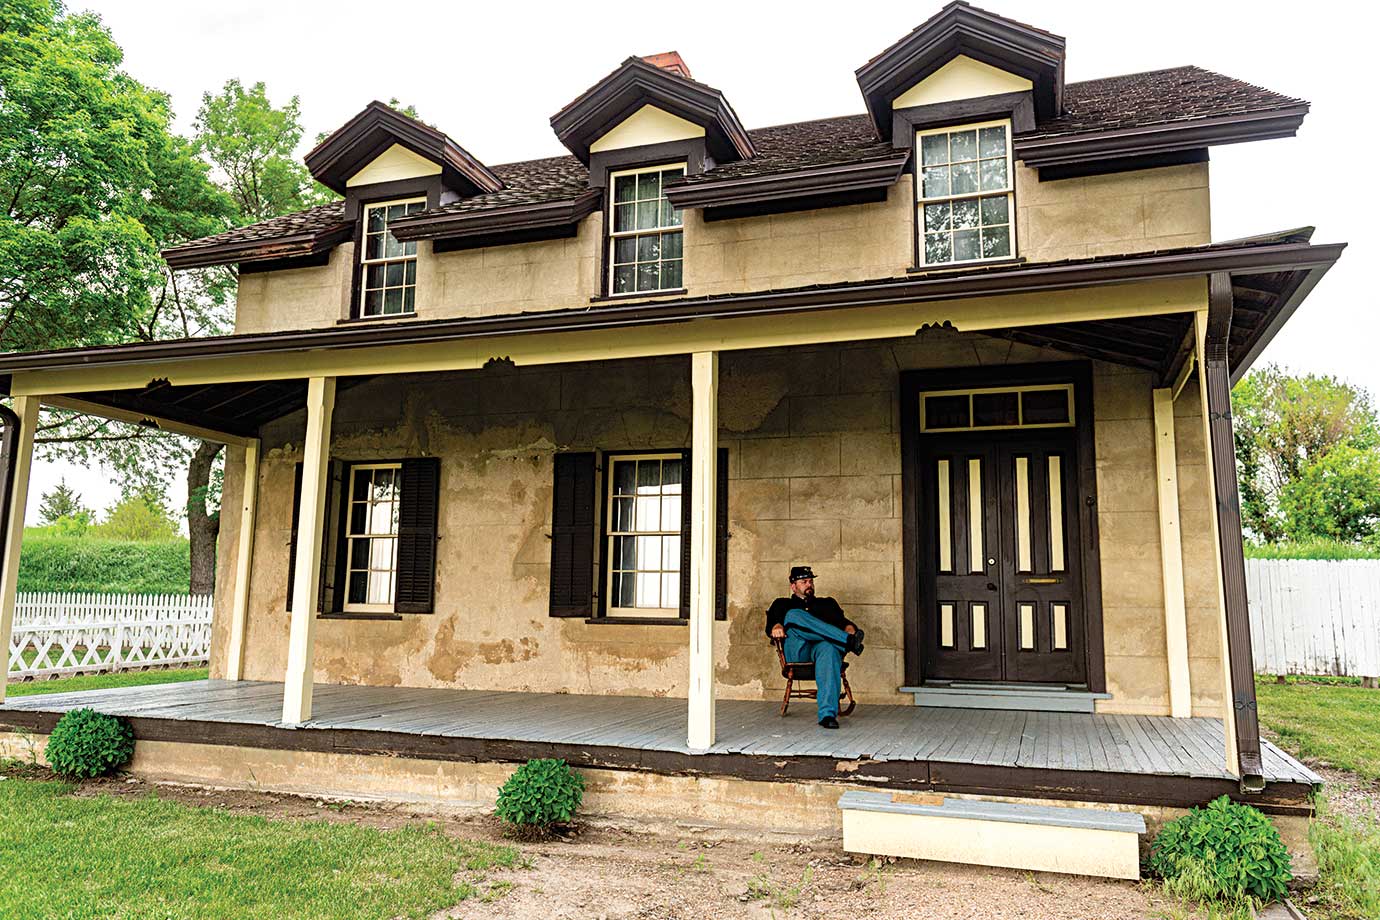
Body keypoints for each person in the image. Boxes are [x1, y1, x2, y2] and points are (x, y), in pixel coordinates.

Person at [764, 566, 863, 729]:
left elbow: (844, 622)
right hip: (797, 651)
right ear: (793, 586)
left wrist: (850, 628)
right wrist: (776, 626)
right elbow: (771, 626)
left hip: (820, 652)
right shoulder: (782, 604)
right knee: (793, 615)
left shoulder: (827, 604)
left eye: (810, 581)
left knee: (829, 649)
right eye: (804, 582)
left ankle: (827, 715)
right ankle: (847, 642)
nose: (809, 584)